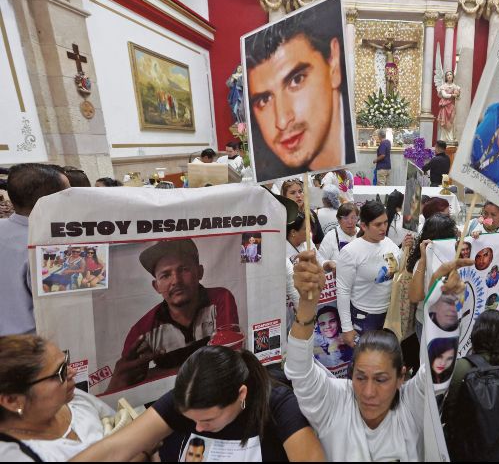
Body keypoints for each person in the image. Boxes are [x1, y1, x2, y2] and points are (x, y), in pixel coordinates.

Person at [284, 250, 469, 461]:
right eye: (360, 377)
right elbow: (299, 371)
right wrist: (307, 306)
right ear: (350, 375)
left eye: (381, 380)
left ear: (401, 377)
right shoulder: (334, 403)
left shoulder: (412, 406)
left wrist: (443, 299)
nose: (369, 392)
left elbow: (439, 364)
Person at [73, 345, 324, 462]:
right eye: (192, 420)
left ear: (241, 394)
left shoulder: (278, 405)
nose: (199, 427)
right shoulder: (187, 400)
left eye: (208, 420)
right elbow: (114, 449)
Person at [107, 239, 239, 393]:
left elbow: (229, 361)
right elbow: (122, 388)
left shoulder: (220, 298)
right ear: (156, 286)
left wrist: (156, 374)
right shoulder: (141, 331)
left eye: (183, 269)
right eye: (165, 275)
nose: (176, 280)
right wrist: (119, 381)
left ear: (200, 272)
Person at [244, 2, 354, 179]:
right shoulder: (274, 175)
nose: (281, 121)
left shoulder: (349, 152)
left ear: (333, 64)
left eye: (296, 80)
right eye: (264, 100)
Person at [0, 335, 117, 461]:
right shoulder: (16, 456)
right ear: (12, 400)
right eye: (61, 372)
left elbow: (118, 420)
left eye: (66, 362)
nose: (73, 372)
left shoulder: (73, 399)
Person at [0, 164, 70, 335]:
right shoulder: (51, 248)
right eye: (68, 194)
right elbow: (65, 313)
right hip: (32, 349)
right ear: (52, 200)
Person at [336, 201, 407, 348]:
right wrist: (347, 328)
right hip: (364, 317)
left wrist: (404, 249)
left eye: (386, 223)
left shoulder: (388, 242)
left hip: (389, 313)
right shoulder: (351, 252)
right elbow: (343, 291)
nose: (383, 228)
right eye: (377, 224)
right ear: (363, 226)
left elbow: (396, 266)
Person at [407, 214, 461, 340]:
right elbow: (415, 297)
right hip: (427, 323)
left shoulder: (458, 254)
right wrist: (423, 259)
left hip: (454, 320)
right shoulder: (422, 262)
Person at [282, 179, 323, 245]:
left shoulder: (311, 214)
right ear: (284, 196)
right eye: (292, 193)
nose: (298, 195)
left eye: (300, 191)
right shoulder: (281, 217)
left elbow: (318, 242)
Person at [313, 306, 353, 371]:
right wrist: (330, 348)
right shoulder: (314, 341)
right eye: (322, 324)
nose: (328, 326)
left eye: (332, 321)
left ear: (339, 322)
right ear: (318, 326)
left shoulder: (350, 338)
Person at [436, 72, 461, 143]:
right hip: (445, 107)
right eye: (447, 75)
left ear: (453, 76)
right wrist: (453, 95)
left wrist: (457, 94)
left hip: (451, 106)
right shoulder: (443, 86)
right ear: (446, 77)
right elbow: (444, 95)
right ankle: (444, 139)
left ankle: (451, 138)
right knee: (444, 121)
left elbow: (458, 97)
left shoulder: (455, 87)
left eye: (450, 74)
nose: (449, 76)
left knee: (452, 121)